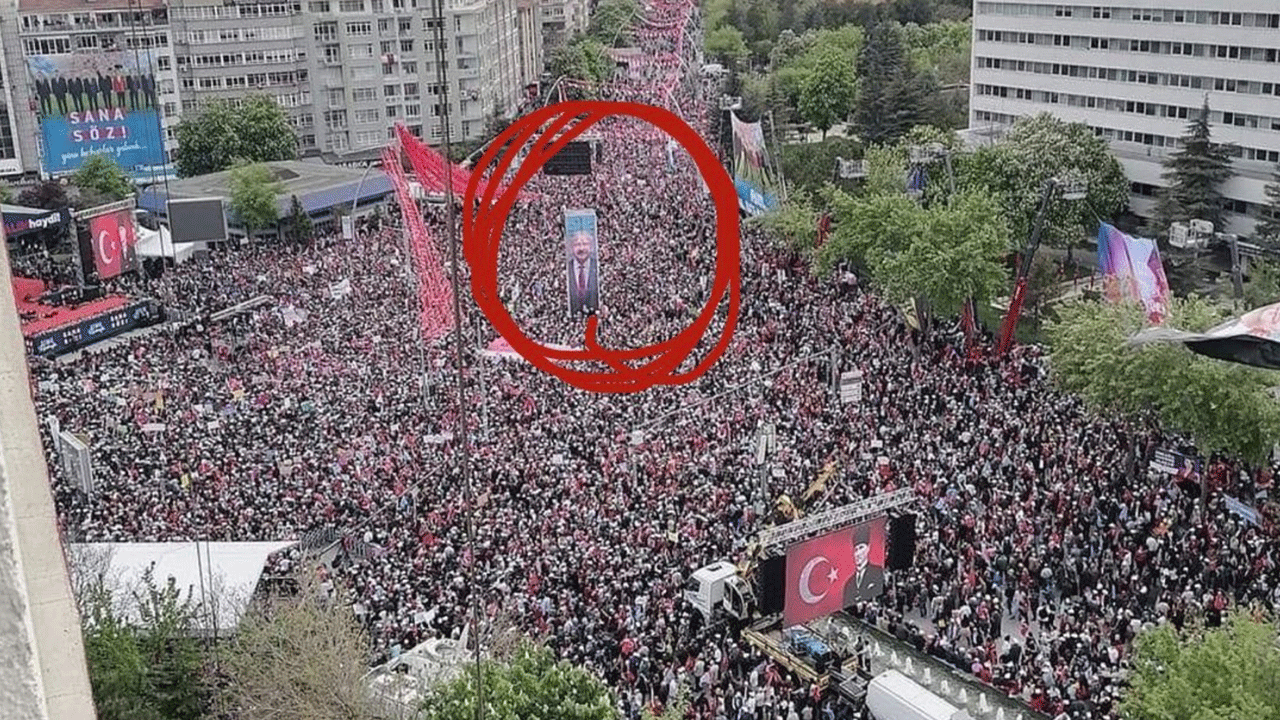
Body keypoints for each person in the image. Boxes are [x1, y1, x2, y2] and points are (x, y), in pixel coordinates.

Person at [842, 523, 885, 605]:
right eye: (856, 549)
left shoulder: (877, 572)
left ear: (868, 548)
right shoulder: (849, 584)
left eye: (861, 547)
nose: (858, 553)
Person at [566, 229, 599, 315]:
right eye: (577, 244)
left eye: (585, 244)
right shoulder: (566, 268)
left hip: (593, 319)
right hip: (571, 320)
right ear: (571, 248)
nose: (581, 248)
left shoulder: (598, 266)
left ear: (591, 247)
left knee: (591, 329)